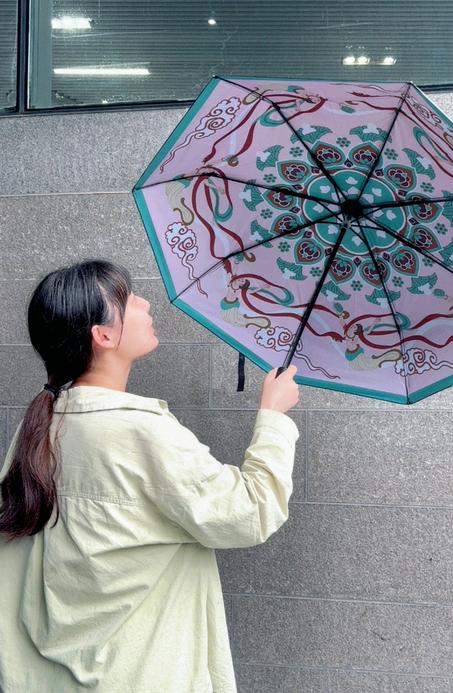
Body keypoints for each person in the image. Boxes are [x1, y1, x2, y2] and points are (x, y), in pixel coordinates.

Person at [0, 259, 300, 693]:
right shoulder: (139, 431)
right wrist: (272, 417)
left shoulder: (39, 426)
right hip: (138, 674)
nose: (143, 303)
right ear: (102, 336)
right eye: (128, 299)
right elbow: (249, 512)